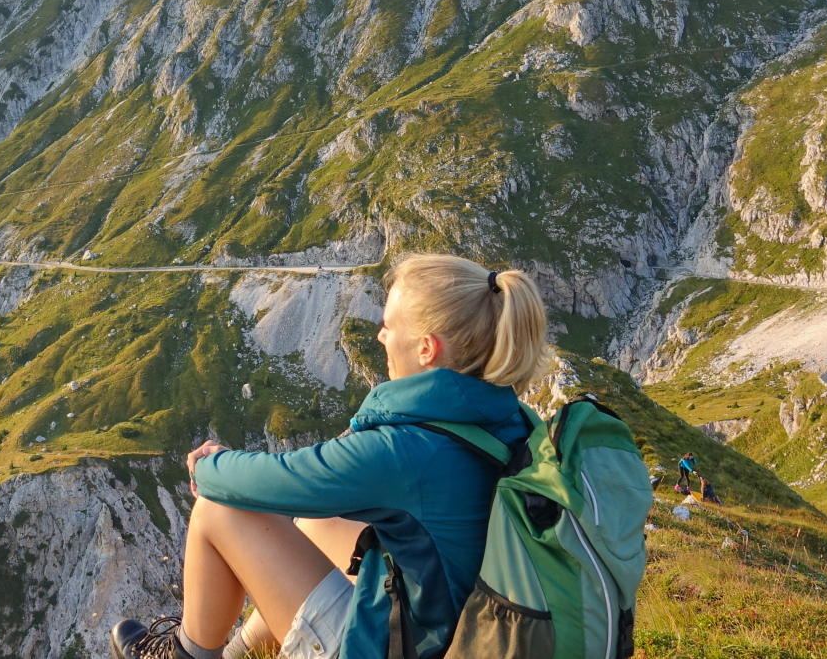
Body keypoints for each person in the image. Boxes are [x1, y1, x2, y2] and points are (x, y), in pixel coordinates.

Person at [107, 254, 553, 659]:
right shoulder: (509, 416)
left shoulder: (406, 451)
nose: (380, 335)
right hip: (454, 620)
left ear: (426, 348)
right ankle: (240, 652)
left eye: (389, 325)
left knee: (216, 510)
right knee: (320, 524)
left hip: (394, 648)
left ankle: (181, 657)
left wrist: (210, 464)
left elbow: (281, 481)